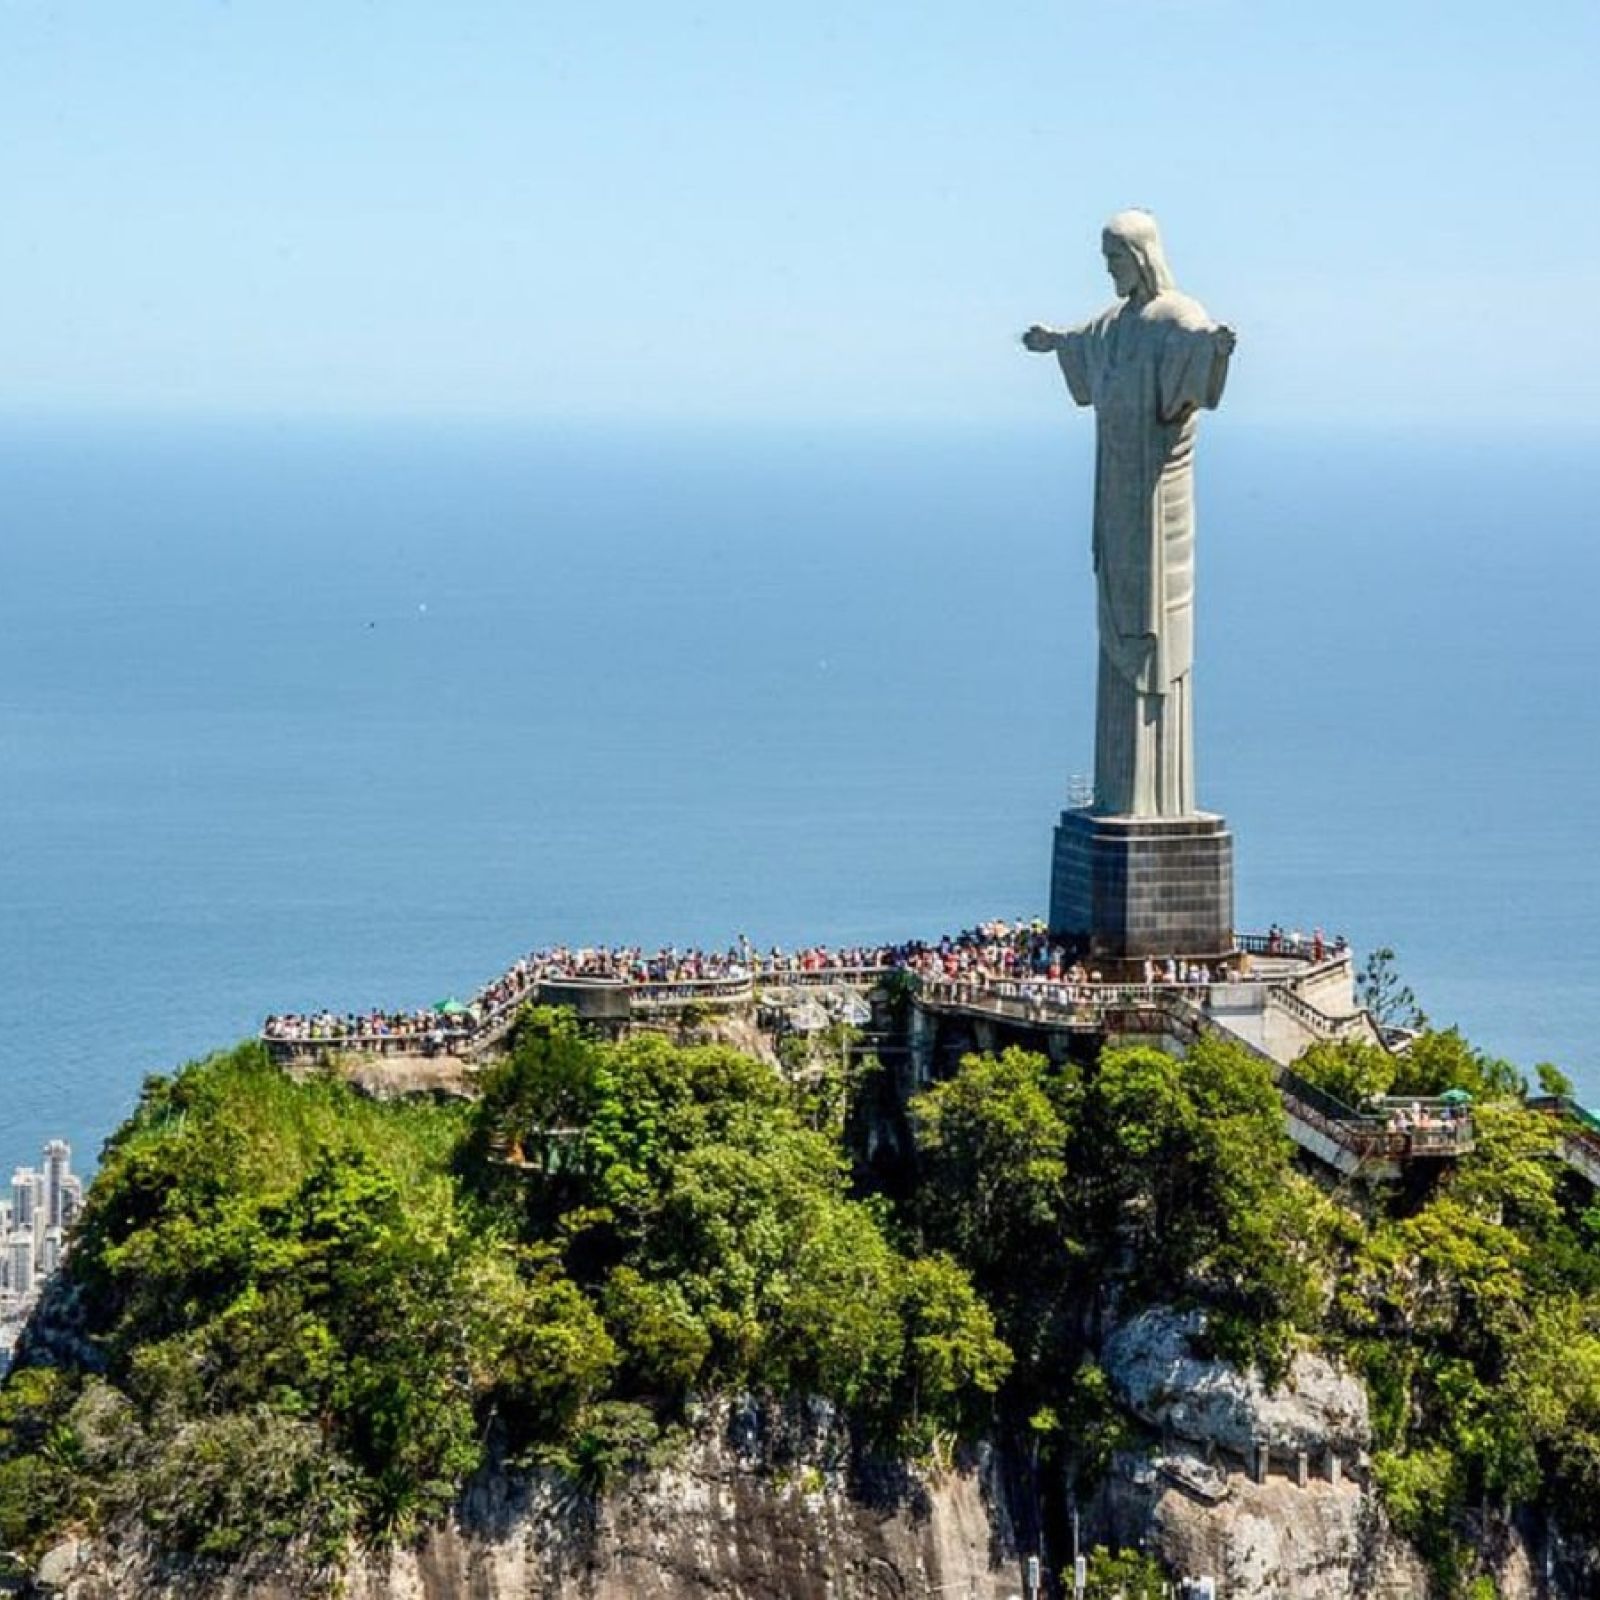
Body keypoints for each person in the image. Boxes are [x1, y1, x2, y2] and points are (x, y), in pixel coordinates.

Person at [1025, 210, 1235, 817]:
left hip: (1156, 502)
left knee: (1157, 630)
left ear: (1142, 256)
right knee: (1117, 622)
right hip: (1116, 498)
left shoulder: (1176, 316)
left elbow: (1196, 360)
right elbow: (1082, 349)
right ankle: (1124, 796)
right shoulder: (1115, 325)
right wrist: (1052, 343)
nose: (1111, 271)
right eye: (1106, 261)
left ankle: (1158, 801)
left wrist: (1213, 349)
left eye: (1116, 259)